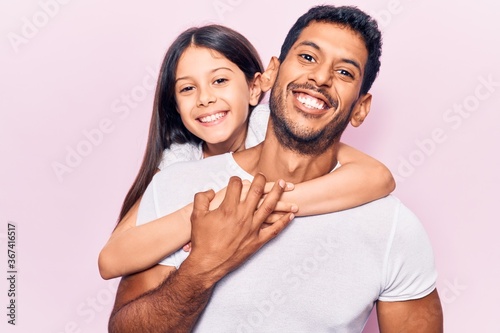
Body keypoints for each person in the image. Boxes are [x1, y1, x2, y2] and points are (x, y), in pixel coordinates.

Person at [109, 5, 444, 332]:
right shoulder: (176, 185)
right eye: (308, 57)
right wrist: (203, 268)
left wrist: (262, 201)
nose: (321, 77)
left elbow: (379, 177)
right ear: (273, 72)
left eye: (344, 72)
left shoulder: (394, 228)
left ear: (360, 108)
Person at [98, 24, 396, 280]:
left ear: (256, 87)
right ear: (175, 106)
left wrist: (255, 206)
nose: (205, 99)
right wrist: (205, 217)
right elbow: (111, 259)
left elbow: (377, 176)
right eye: (187, 89)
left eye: (220, 81)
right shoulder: (180, 162)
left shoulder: (271, 123)